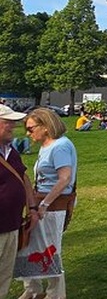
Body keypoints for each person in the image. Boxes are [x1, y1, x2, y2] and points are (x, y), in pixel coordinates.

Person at [17, 108, 78, 299]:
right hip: (42, 201)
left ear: (45, 126)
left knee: (49, 250)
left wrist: (44, 204)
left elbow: (64, 179)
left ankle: (55, 294)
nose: (28, 133)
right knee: (30, 246)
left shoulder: (59, 146)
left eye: (31, 128)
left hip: (53, 205)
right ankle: (33, 288)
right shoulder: (47, 145)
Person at [0, 105, 39, 299]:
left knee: (4, 277)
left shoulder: (10, 151)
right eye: (8, 122)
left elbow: (23, 178)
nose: (13, 126)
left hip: (12, 226)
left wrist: (32, 208)